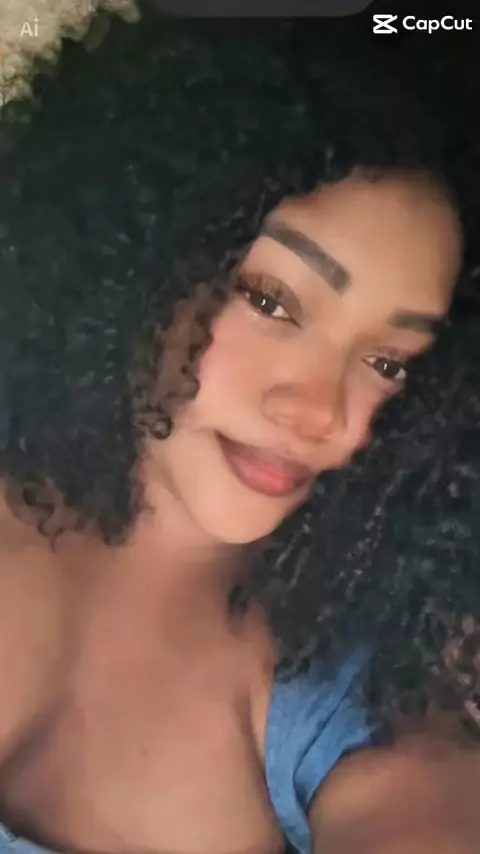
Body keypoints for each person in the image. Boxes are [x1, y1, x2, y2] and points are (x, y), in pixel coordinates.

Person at [0, 12, 479, 854]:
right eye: (270, 301)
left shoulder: (363, 701)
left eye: (389, 361)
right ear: (142, 255)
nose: (318, 412)